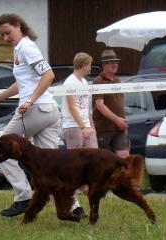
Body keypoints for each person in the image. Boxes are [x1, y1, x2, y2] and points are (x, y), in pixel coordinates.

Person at [0, 13, 60, 217]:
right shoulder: (22, 48)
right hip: (49, 110)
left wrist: (29, 100)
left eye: (8, 33)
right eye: (2, 35)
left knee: (2, 152)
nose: (6, 38)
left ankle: (23, 197)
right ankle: (73, 206)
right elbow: (22, 83)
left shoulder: (26, 47)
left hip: (34, 110)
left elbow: (49, 75)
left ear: (19, 25)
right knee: (50, 161)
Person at [62, 52, 98, 218]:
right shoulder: (70, 82)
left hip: (86, 126)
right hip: (73, 126)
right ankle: (71, 200)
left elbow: (87, 108)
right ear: (84, 65)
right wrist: (83, 126)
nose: (90, 67)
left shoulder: (84, 82)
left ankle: (88, 190)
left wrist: (91, 126)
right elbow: (72, 107)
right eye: (89, 64)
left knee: (93, 161)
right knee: (74, 166)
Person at [92, 49, 130, 158]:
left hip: (120, 127)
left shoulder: (118, 80)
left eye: (116, 62)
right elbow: (99, 105)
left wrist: (121, 120)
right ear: (104, 65)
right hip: (104, 128)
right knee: (105, 160)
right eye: (111, 62)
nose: (115, 64)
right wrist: (116, 119)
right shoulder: (98, 81)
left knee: (124, 156)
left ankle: (122, 176)